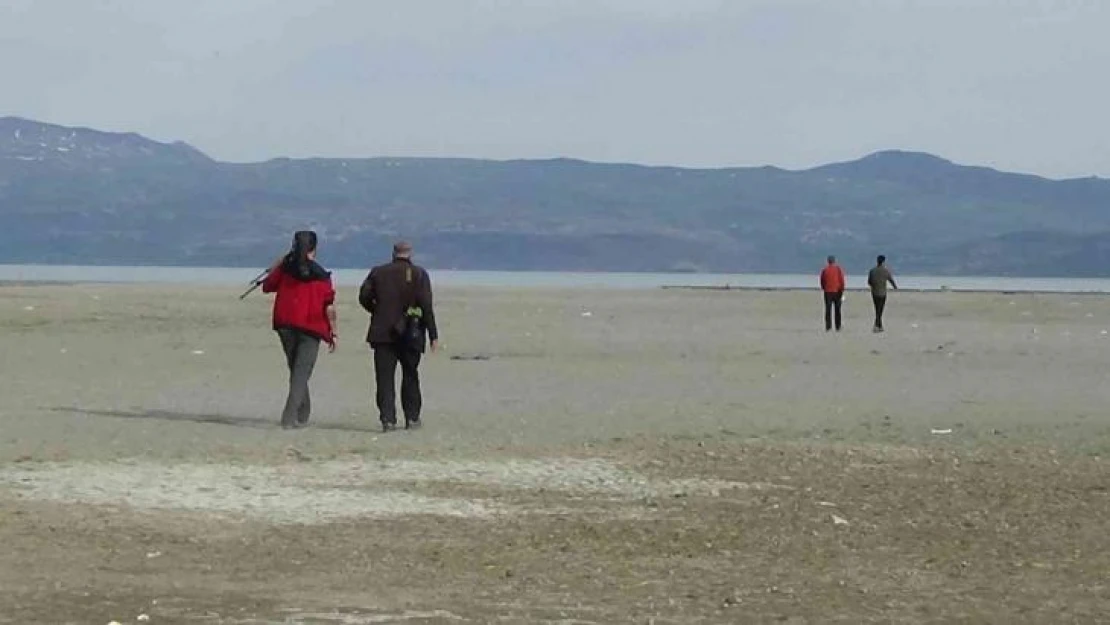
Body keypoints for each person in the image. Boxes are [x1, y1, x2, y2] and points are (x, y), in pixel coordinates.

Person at [359, 241, 439, 432]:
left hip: (382, 331)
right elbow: (426, 306)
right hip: (411, 331)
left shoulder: (378, 272)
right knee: (410, 375)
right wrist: (433, 334)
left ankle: (388, 419)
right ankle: (412, 418)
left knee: (384, 378)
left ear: (394, 253)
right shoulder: (419, 274)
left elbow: (363, 296)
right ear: (409, 253)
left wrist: (376, 310)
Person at [261, 231, 337, 429]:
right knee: (301, 372)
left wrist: (280, 262)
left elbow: (268, 285)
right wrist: (333, 332)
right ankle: (289, 417)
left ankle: (303, 412)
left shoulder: (286, 269)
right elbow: (329, 306)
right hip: (310, 326)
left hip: (285, 322)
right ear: (314, 248)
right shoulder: (321, 275)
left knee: (296, 369)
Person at [867, 254, 898, 332]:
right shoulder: (885, 271)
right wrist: (895, 287)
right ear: (883, 262)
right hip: (883, 293)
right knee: (880, 310)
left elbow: (869, 282)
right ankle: (876, 326)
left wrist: (874, 285)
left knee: (877, 309)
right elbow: (891, 280)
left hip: (874, 293)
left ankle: (879, 326)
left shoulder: (872, 270)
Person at [820, 255, 846, 332]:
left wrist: (824, 288)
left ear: (828, 261)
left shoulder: (825, 270)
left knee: (828, 310)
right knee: (837, 310)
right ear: (834, 261)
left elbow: (822, 280)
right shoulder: (838, 269)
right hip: (837, 291)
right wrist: (842, 289)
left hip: (828, 291)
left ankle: (828, 327)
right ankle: (838, 326)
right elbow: (841, 280)